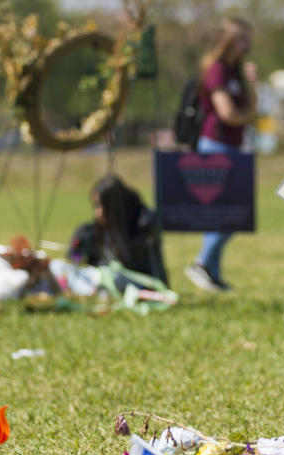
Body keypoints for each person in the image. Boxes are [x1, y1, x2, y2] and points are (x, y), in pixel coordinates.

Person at [183, 16, 258, 293]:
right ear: (227, 40)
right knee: (228, 212)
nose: (246, 45)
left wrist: (253, 85)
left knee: (231, 212)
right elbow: (227, 113)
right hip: (215, 144)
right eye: (242, 39)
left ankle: (211, 271)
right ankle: (202, 263)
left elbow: (251, 110)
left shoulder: (236, 71)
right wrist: (246, 115)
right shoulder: (215, 69)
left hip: (233, 146)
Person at [70, 175, 167, 284]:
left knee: (115, 278)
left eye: (101, 206)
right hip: (101, 281)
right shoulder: (89, 231)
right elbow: (76, 258)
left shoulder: (143, 225)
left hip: (142, 283)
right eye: (96, 206)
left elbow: (139, 265)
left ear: (114, 204)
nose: (98, 213)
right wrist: (78, 254)